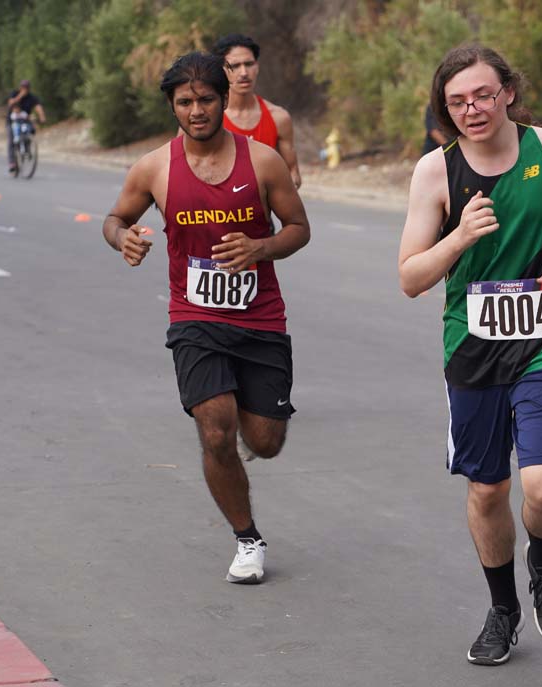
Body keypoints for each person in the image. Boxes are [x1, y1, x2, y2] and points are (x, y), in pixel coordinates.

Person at [397, 44, 542, 665]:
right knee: (488, 490)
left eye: (483, 95)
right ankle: (502, 609)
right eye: (457, 101)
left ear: (508, 93)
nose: (472, 109)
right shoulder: (435, 172)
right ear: (445, 108)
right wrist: (459, 237)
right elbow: (411, 278)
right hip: (471, 350)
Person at [100, 51, 310, 585]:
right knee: (216, 431)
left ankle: (243, 427)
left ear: (223, 99)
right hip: (194, 316)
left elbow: (298, 228)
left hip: (260, 318)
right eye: (184, 102)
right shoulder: (154, 167)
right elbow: (115, 217)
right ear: (172, 106)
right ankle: (247, 538)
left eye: (206, 100)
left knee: (265, 441)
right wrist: (122, 238)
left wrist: (260, 247)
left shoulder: (262, 161)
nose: (196, 111)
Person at [212, 34, 301, 189]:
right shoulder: (207, 118)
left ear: (257, 66)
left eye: (249, 64)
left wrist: (271, 190)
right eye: (235, 66)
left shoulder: (278, 117)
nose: (244, 72)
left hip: (264, 204)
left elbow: (293, 173)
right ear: (221, 70)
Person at [6, 80, 45, 174]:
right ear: (20, 87)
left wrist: (42, 117)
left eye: (26, 88)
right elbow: (10, 103)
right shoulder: (15, 93)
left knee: (31, 130)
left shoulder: (32, 98)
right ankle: (12, 163)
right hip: (13, 121)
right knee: (11, 141)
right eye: (23, 87)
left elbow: (38, 107)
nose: (25, 89)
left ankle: (27, 149)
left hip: (25, 120)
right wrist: (20, 96)